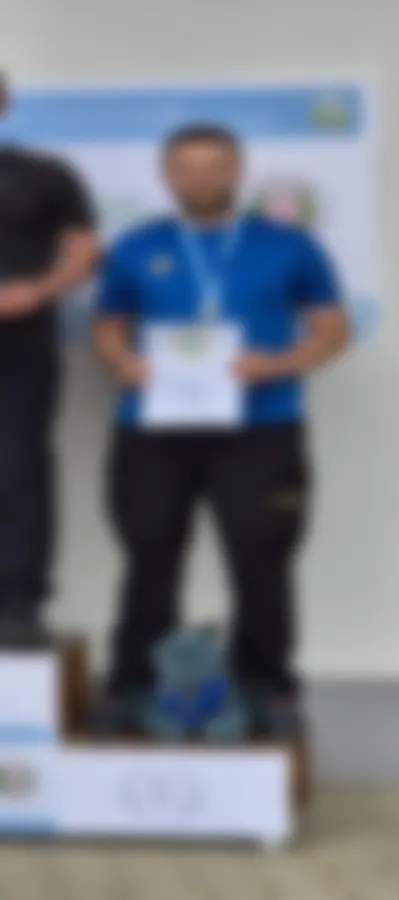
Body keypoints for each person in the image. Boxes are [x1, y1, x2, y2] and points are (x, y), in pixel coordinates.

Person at [90, 123, 350, 737]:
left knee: (261, 559)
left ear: (236, 171)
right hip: (154, 431)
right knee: (150, 556)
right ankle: (132, 685)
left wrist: (276, 364)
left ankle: (268, 688)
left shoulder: (287, 245)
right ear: (168, 175)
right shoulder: (137, 246)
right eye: (187, 167)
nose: (201, 178)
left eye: (214, 166)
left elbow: (332, 329)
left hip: (261, 428)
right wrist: (124, 362)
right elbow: (108, 326)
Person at [0, 71, 101, 646]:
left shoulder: (44, 175)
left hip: (19, 342)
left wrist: (37, 290)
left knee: (18, 469)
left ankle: (18, 601)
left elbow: (84, 254)